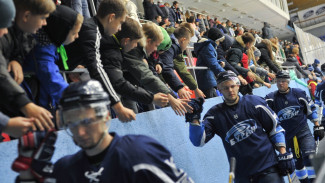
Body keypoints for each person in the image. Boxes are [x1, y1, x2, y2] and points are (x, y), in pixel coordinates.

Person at [14, 80, 194, 183]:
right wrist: (27, 174)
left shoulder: (139, 154)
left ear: (106, 116)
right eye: (73, 123)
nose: (81, 132)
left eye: (87, 121)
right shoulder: (65, 169)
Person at [185, 71, 295, 183]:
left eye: (232, 86)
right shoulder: (214, 115)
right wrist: (194, 119)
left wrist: (283, 152)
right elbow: (198, 141)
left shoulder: (255, 103)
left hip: (268, 168)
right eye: (225, 88)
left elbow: (275, 128)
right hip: (242, 176)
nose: (230, 90)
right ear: (219, 89)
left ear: (238, 85)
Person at [63, 0, 136, 122]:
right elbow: (96, 68)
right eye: (120, 23)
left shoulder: (94, 29)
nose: (120, 29)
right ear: (111, 17)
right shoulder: (92, 31)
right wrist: (118, 106)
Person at [0, 0, 56, 131]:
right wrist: (26, 105)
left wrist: (16, 60)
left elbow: (19, 48)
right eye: (43, 18)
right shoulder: (4, 31)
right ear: (26, 16)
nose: (45, 23)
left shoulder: (25, 33)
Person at [100, 18, 168, 113]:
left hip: (127, 89)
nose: (136, 45)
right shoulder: (122, 52)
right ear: (126, 41)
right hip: (117, 91)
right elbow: (144, 77)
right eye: (156, 45)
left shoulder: (133, 51)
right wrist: (153, 98)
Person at [265, 71, 322, 183]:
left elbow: (310, 109)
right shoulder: (270, 99)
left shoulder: (299, 93)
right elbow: (265, 118)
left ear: (288, 81)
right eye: (278, 81)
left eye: (284, 81)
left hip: (303, 131)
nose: (281, 83)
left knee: (309, 157)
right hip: (287, 136)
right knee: (297, 163)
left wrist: (317, 126)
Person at [23, 5, 83, 111]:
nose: (77, 36)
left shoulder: (51, 43)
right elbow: (52, 78)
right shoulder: (43, 50)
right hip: (33, 100)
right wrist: (76, 100)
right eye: (74, 33)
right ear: (61, 32)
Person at [193, 28, 225, 98]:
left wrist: (219, 62)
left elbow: (208, 60)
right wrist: (225, 74)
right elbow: (212, 64)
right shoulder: (208, 47)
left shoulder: (208, 46)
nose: (219, 43)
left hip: (207, 78)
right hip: (207, 79)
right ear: (216, 39)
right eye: (219, 41)